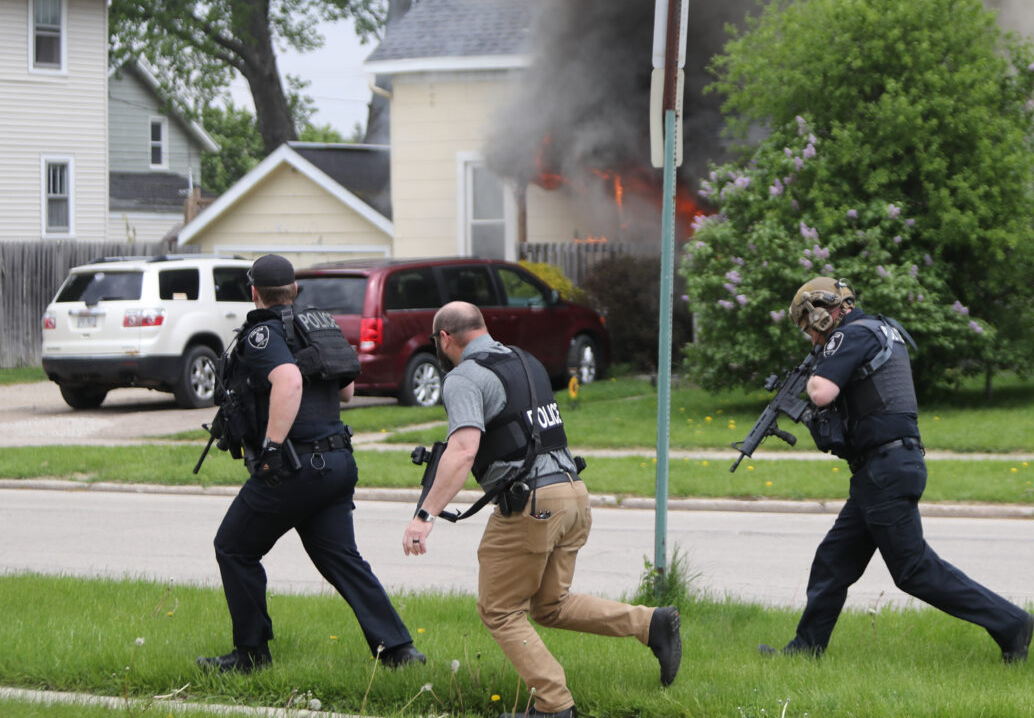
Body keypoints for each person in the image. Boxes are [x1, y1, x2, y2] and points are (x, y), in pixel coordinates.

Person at [403, 301, 681, 718]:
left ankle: (553, 706)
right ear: (483, 327)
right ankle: (649, 623)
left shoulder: (463, 378)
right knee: (550, 604)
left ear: (444, 339)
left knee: (498, 610)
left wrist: (425, 517)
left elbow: (462, 451)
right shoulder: (524, 360)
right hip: (572, 493)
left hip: (531, 504)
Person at [761, 277, 1034, 662]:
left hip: (885, 468)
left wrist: (808, 381)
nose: (813, 341)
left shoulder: (849, 335)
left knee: (914, 571)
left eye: (810, 329)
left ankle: (1010, 622)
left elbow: (822, 391)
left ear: (822, 314)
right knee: (834, 561)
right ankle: (805, 650)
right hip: (884, 467)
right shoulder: (882, 330)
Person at [198, 254, 424, 673]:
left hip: (294, 468)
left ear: (255, 293)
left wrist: (270, 449)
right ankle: (398, 649)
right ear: (294, 290)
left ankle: (251, 655)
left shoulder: (262, 335)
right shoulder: (316, 326)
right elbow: (347, 392)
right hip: (336, 462)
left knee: (233, 548)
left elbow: (289, 379)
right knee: (341, 558)